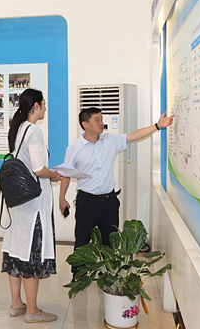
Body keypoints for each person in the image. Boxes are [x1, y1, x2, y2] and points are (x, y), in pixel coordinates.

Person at [58, 107, 174, 274]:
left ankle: (107, 274)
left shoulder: (110, 140)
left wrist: (157, 126)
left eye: (101, 119)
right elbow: (66, 174)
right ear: (85, 124)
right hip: (87, 202)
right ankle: (78, 275)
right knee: (82, 240)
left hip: (109, 202)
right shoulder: (74, 148)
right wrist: (62, 198)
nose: (101, 123)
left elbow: (134, 135)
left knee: (110, 241)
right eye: (97, 120)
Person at [1, 89, 62, 323]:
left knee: (16, 251)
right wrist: (54, 175)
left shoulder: (17, 129)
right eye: (43, 104)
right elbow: (38, 169)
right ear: (35, 106)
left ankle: (17, 303)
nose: (45, 108)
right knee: (31, 256)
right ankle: (33, 311)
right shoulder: (34, 130)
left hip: (18, 204)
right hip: (33, 205)